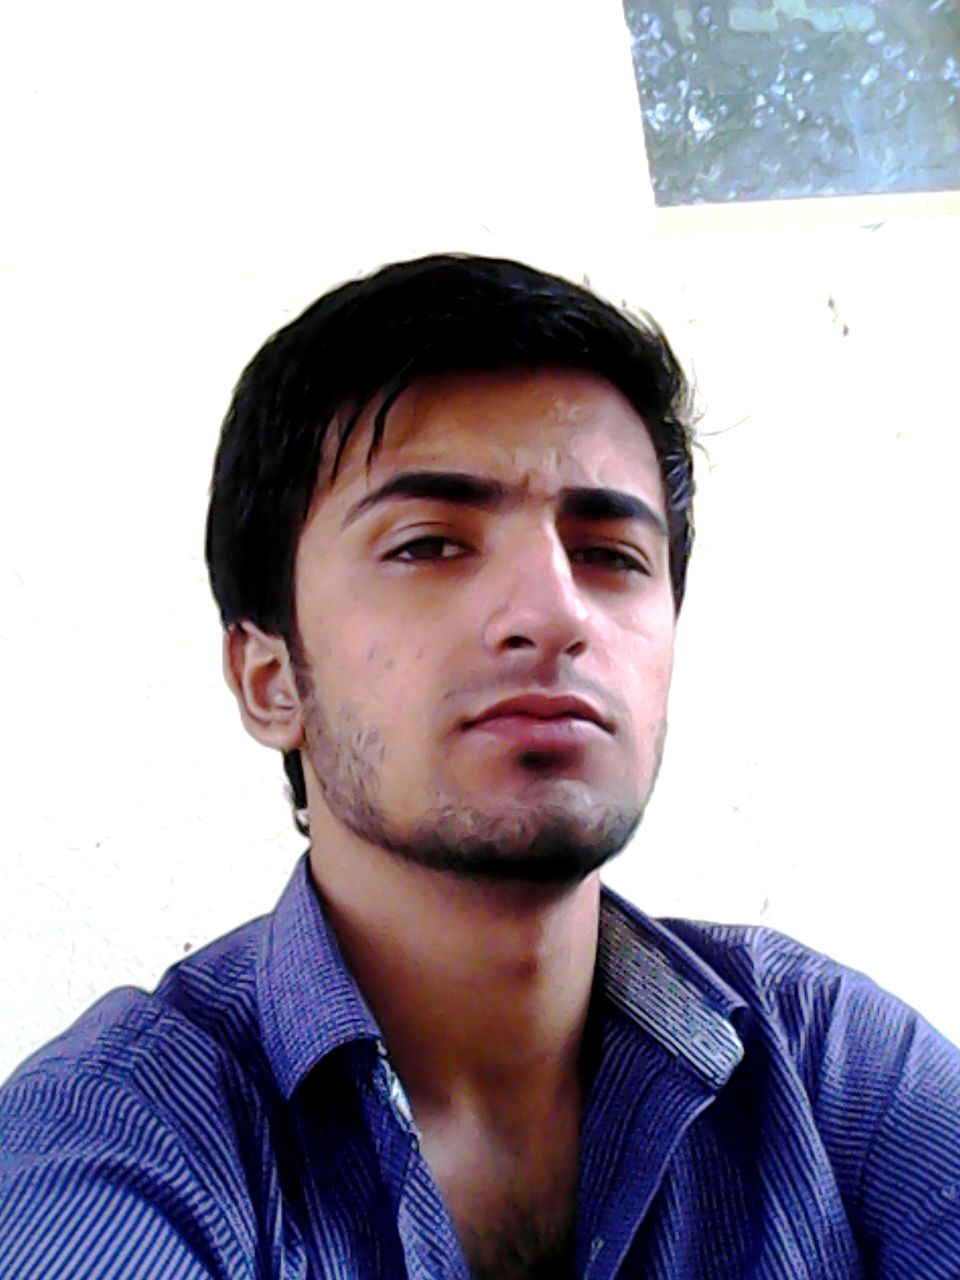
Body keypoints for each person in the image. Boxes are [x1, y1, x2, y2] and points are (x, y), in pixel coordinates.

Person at [1, 254, 958, 1280]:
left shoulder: (828, 1066)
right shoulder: (118, 1135)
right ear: (271, 679)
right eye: (429, 544)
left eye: (612, 555)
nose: (555, 612)